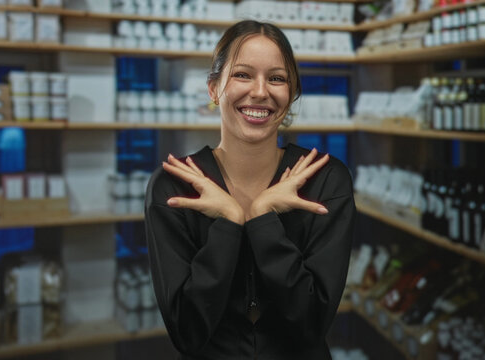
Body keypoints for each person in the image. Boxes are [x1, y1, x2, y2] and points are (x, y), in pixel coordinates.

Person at [145, 20, 355, 359]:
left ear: (291, 93)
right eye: (243, 74)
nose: (260, 91)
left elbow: (312, 325)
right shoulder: (174, 185)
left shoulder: (325, 181)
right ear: (213, 88)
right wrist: (230, 220)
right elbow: (187, 331)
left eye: (277, 78)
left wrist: (261, 217)